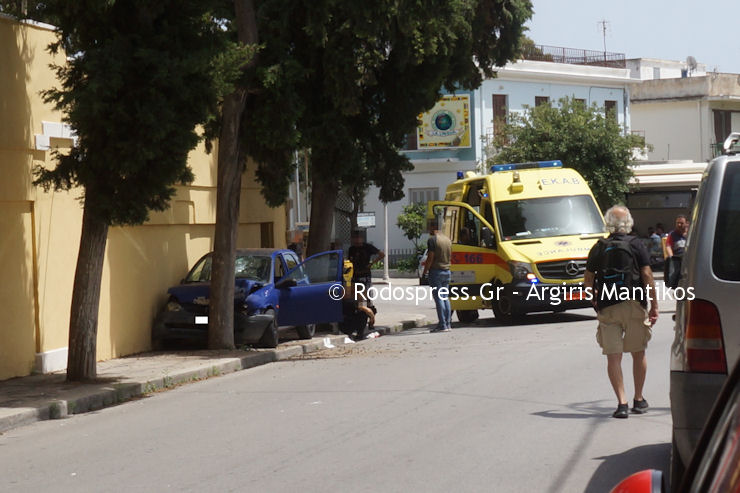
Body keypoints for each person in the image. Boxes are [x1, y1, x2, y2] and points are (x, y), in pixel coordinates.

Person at [584, 205, 659, 419]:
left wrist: (595, 302)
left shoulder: (599, 247)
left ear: (608, 223)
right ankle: (639, 398)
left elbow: (588, 279)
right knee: (638, 352)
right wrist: (654, 305)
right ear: (629, 223)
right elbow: (647, 275)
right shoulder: (636, 244)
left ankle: (622, 403)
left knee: (613, 357)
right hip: (634, 303)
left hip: (608, 306)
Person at [422, 220, 452, 332]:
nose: (428, 230)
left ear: (433, 227)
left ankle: (442, 324)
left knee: (439, 298)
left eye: (429, 227)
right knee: (445, 298)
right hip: (447, 271)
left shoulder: (432, 240)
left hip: (436, 272)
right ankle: (448, 324)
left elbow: (430, 258)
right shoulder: (448, 240)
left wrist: (425, 271)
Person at [348, 230, 384, 309]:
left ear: (362, 239)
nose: (357, 240)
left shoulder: (367, 247)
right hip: (355, 275)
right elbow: (349, 262)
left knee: (368, 296)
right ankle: (359, 312)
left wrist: (371, 264)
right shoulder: (352, 249)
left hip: (365, 275)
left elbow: (382, 254)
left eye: (359, 238)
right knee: (357, 297)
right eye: (355, 238)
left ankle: (370, 310)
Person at [665, 215, 689, 289]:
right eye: (677, 223)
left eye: (681, 223)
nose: (679, 225)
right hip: (678, 260)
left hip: (689, 260)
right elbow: (668, 246)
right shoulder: (672, 234)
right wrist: (672, 258)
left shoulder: (691, 234)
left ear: (686, 223)